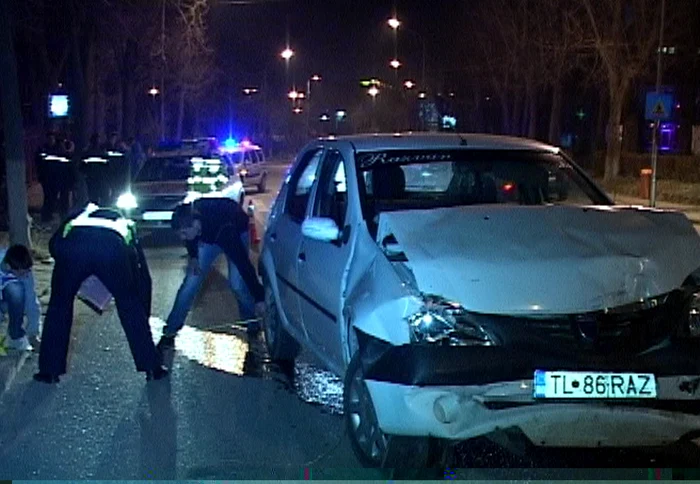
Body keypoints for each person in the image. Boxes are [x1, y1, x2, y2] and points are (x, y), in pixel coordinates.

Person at [33, 203, 167, 383]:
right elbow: (142, 277)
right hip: (111, 251)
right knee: (129, 304)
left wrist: (67, 274)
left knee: (59, 306)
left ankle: (48, 371)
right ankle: (152, 368)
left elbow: (54, 245)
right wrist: (142, 313)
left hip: (72, 249)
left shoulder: (79, 215)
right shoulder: (125, 225)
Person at [159, 197, 265, 348]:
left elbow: (244, 264)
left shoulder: (225, 231)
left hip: (236, 231)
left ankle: (252, 322)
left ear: (195, 225)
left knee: (237, 284)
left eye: (183, 233)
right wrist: (194, 257)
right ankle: (171, 329)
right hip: (208, 234)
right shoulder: (189, 217)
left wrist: (259, 297)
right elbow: (190, 240)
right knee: (191, 282)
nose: (182, 238)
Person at [0, 245, 42, 351]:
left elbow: (31, 302)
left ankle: (15, 336)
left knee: (16, 291)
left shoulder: (25, 272)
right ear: (8, 267)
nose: (25, 275)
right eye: (21, 273)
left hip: (7, 299)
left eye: (27, 271)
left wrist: (33, 333)